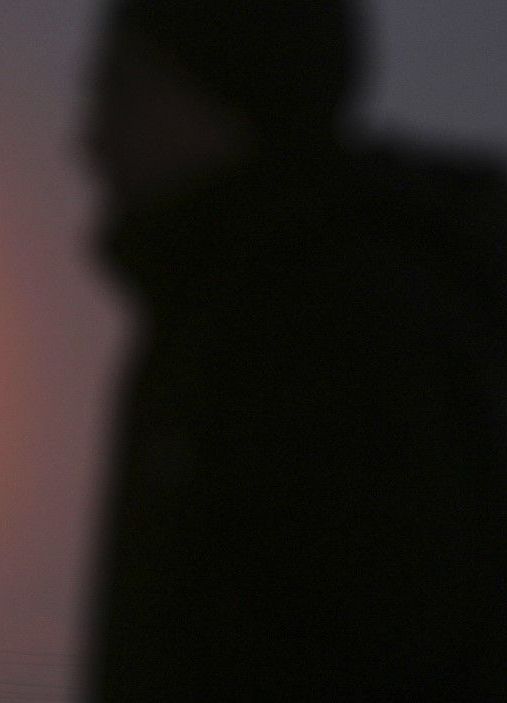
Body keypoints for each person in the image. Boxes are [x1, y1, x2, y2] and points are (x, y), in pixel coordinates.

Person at [86, 1, 507, 698]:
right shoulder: (222, 312)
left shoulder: (332, 338)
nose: (90, 137)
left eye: (120, 89)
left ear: (213, 97)